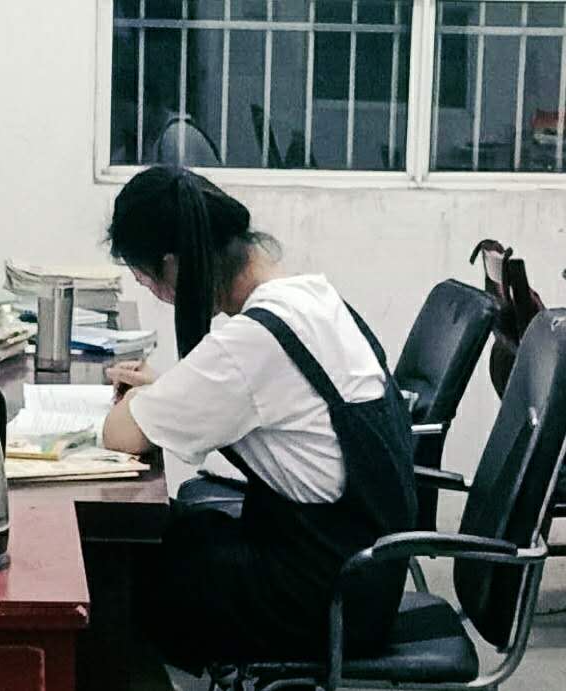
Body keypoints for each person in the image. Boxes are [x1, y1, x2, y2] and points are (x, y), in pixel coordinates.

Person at [102, 165, 417, 674]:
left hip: (325, 600)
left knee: (125, 570)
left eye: (146, 277)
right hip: (364, 579)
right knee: (178, 534)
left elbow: (119, 434)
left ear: (174, 264)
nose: (153, 290)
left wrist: (137, 399)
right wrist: (163, 393)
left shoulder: (252, 340)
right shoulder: (312, 298)